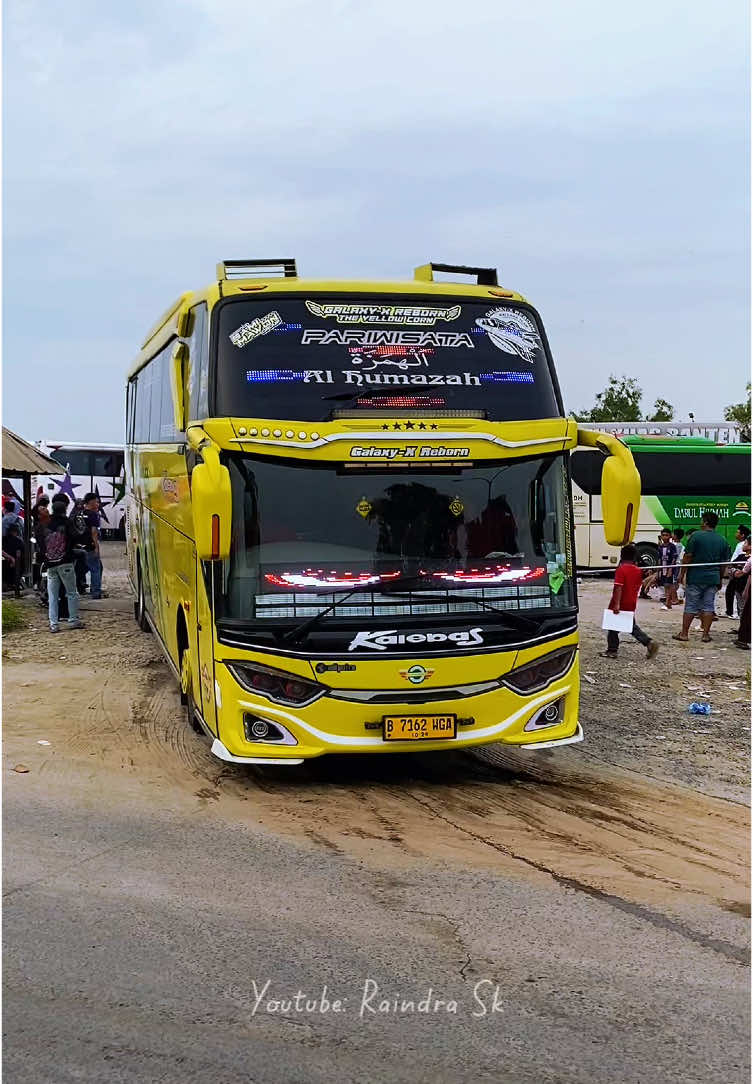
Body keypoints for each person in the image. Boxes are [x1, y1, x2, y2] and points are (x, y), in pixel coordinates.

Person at [674, 511, 731, 643]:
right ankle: (705, 635)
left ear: (705, 522)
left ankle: (684, 633)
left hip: (695, 577)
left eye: (701, 520)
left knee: (691, 606)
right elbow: (723, 564)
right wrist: (720, 578)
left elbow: (687, 557)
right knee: (708, 606)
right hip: (713, 578)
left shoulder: (696, 536)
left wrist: (681, 574)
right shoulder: (722, 539)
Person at [601, 543, 659, 659]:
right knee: (629, 626)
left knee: (614, 627)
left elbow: (618, 587)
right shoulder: (637, 570)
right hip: (631, 601)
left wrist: (616, 604)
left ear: (622, 556)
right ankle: (648, 642)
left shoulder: (621, 570)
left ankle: (613, 650)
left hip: (620, 602)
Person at [41, 493, 85, 633]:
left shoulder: (44, 523)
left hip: (50, 565)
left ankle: (54, 624)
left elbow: (39, 543)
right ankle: (73, 620)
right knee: (71, 592)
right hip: (65, 562)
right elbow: (77, 536)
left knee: (53, 595)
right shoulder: (67, 522)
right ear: (65, 509)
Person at [82, 492, 106, 600]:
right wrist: (96, 547)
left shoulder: (80, 513)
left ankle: (83, 587)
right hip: (90, 546)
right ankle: (96, 592)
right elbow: (94, 532)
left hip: (80, 546)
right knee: (96, 568)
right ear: (91, 502)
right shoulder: (93, 515)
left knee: (94, 567)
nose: (98, 504)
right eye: (96, 502)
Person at [724, 524, 751, 618]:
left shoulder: (742, 547)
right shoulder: (740, 546)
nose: (736, 534)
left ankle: (733, 613)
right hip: (736, 573)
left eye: (737, 532)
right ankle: (735, 613)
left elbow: (744, 566)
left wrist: (736, 571)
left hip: (742, 576)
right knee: (735, 594)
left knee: (739, 595)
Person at [68, 498, 90, 593]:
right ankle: (80, 584)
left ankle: (81, 584)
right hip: (77, 543)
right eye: (81, 504)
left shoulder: (78, 514)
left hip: (80, 543)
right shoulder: (75, 516)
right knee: (80, 565)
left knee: (81, 565)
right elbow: (78, 530)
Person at [657, 528, 678, 610]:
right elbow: (659, 558)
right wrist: (658, 570)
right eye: (663, 535)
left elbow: (674, 558)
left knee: (669, 584)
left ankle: (668, 601)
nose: (665, 537)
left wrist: (670, 569)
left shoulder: (672, 546)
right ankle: (668, 602)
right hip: (663, 568)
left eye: (666, 535)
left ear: (670, 536)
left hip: (670, 568)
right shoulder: (660, 547)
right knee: (665, 585)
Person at [2, 522, 25, 595]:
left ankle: (7, 584)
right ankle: (11, 584)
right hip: (16, 567)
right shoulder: (19, 541)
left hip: (6, 565)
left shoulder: (3, 539)